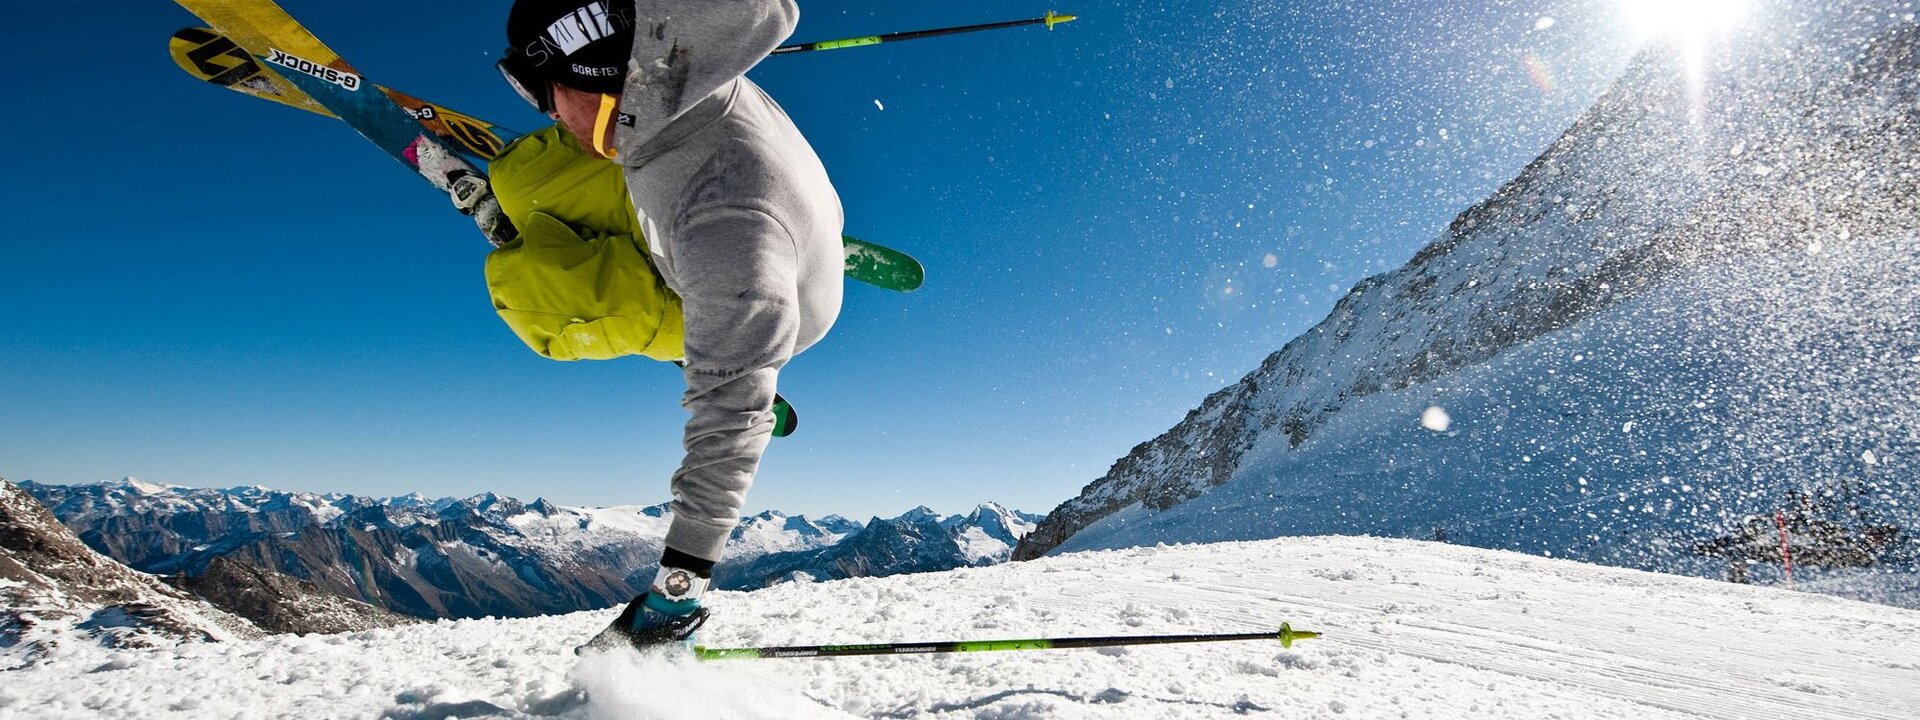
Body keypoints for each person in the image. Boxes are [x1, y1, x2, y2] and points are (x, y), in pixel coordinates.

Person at [495, 0, 844, 650]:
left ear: (602, 72)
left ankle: (706, 325)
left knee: (532, 296)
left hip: (747, 280)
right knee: (517, 178)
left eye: (542, 88)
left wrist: (676, 592)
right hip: (718, 206)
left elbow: (730, 416)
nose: (542, 108)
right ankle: (753, 278)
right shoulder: (670, 66)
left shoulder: (729, 226)